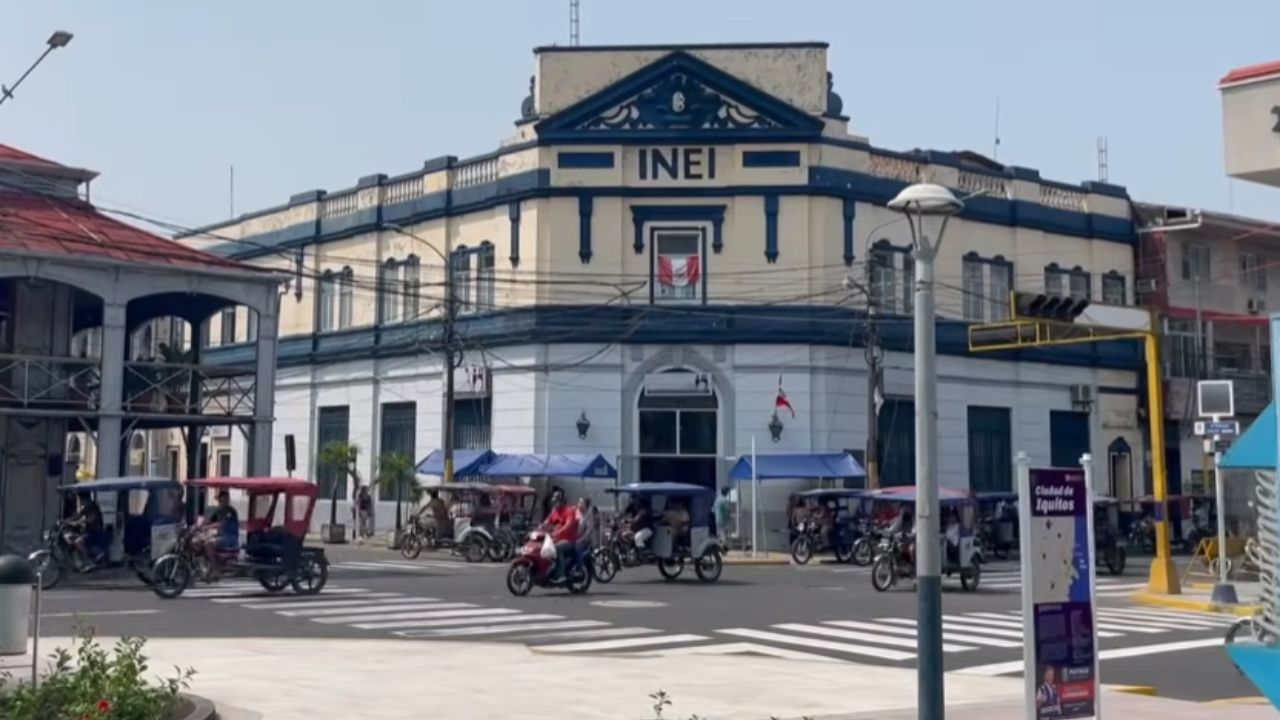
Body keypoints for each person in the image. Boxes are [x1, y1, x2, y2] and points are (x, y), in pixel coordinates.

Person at [541, 490, 579, 581]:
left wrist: (557, 533)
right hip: (555, 538)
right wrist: (539, 527)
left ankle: (561, 574)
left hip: (568, 540)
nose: (555, 503)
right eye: (554, 501)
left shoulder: (569, 511)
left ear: (562, 501)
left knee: (557, 548)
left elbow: (568, 526)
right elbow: (547, 522)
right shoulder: (554, 511)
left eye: (557, 501)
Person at [203, 490, 240, 576]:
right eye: (222, 500)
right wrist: (199, 525)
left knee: (208, 544)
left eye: (226, 499)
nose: (224, 502)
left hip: (230, 538)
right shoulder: (219, 510)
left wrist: (207, 527)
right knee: (202, 540)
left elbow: (222, 524)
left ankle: (215, 569)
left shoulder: (230, 511)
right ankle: (209, 566)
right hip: (222, 536)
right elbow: (209, 521)